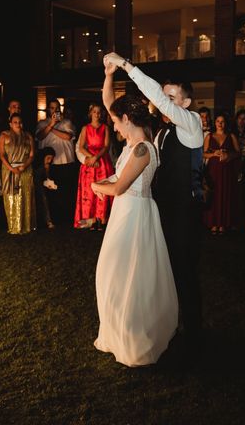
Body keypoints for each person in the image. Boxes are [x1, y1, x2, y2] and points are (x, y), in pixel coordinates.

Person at [103, 52, 204, 355]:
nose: (164, 101)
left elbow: (156, 99)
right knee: (161, 271)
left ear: (185, 103)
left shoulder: (192, 124)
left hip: (184, 213)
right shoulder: (159, 133)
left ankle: (194, 335)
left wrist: (126, 65)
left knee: (184, 272)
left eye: (172, 97)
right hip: (159, 210)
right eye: (165, 96)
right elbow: (115, 111)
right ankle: (165, 326)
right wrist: (109, 77)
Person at [91, 89, 177, 367]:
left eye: (116, 121)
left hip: (135, 213)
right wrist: (107, 76)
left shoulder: (143, 149)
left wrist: (94, 186)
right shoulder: (131, 146)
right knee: (113, 271)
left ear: (127, 119)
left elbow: (119, 187)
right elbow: (117, 176)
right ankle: (117, 331)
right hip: (124, 212)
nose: (113, 126)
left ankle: (134, 335)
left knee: (131, 274)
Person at [74, 103, 114, 230]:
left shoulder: (105, 128)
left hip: (102, 161)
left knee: (103, 189)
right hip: (89, 163)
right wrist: (90, 158)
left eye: (99, 112)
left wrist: (96, 157)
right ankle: (90, 219)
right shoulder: (85, 128)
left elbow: (106, 147)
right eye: (95, 112)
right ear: (90, 113)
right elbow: (81, 147)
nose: (97, 114)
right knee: (89, 192)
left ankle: (102, 219)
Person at [0, 113, 36, 234]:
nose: (18, 124)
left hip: (25, 168)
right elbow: (2, 155)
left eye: (19, 122)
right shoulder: (4, 135)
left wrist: (24, 165)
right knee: (11, 197)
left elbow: (31, 155)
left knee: (26, 196)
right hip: (10, 169)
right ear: (10, 123)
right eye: (15, 122)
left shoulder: (28, 136)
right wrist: (11, 168)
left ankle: (27, 226)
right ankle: (14, 226)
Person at [203, 114, 240, 234]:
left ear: (226, 123)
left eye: (222, 121)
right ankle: (213, 223)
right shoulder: (209, 136)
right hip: (213, 170)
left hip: (227, 170)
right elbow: (203, 154)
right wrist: (214, 154)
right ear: (215, 123)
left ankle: (224, 223)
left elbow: (238, 153)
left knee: (226, 194)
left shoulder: (231, 136)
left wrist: (228, 155)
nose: (220, 123)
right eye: (218, 121)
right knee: (214, 195)